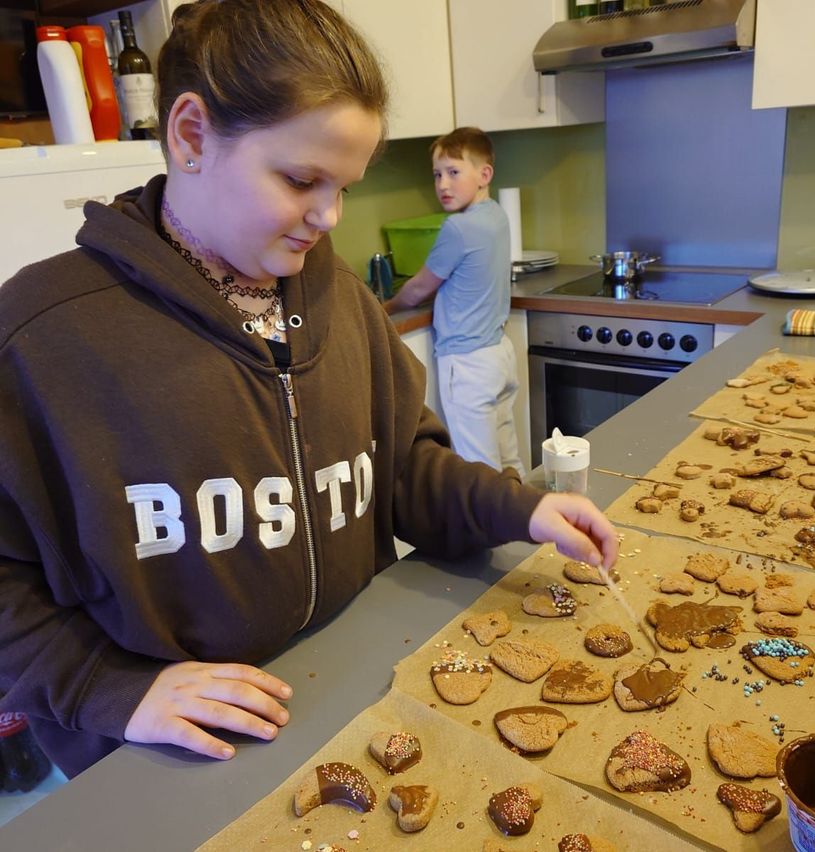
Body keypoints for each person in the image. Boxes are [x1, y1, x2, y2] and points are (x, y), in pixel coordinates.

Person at [0, 0, 617, 780]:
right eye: (301, 179)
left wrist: (519, 507)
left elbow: (401, 469)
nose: (328, 216)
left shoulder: (338, 297)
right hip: (173, 763)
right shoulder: (42, 336)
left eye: (345, 187)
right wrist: (108, 687)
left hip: (353, 702)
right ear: (191, 136)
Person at [383, 127, 524, 476]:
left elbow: (418, 289)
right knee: (508, 461)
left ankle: (496, 516)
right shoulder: (497, 215)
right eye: (437, 174)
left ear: (484, 175)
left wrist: (383, 309)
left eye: (453, 172)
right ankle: (524, 511)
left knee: (480, 474)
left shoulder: (458, 228)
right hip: (499, 355)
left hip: (467, 362)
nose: (443, 184)